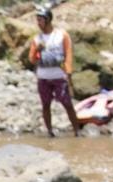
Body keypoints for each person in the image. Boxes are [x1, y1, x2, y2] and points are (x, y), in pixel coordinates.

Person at [28, 5, 82, 138]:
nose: (38, 23)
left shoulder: (61, 35)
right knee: (45, 105)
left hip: (59, 76)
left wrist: (68, 74)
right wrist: (37, 51)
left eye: (41, 20)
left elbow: (68, 54)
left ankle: (77, 131)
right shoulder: (37, 39)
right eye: (37, 20)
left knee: (67, 104)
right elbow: (32, 60)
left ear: (48, 20)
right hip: (43, 77)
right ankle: (50, 132)